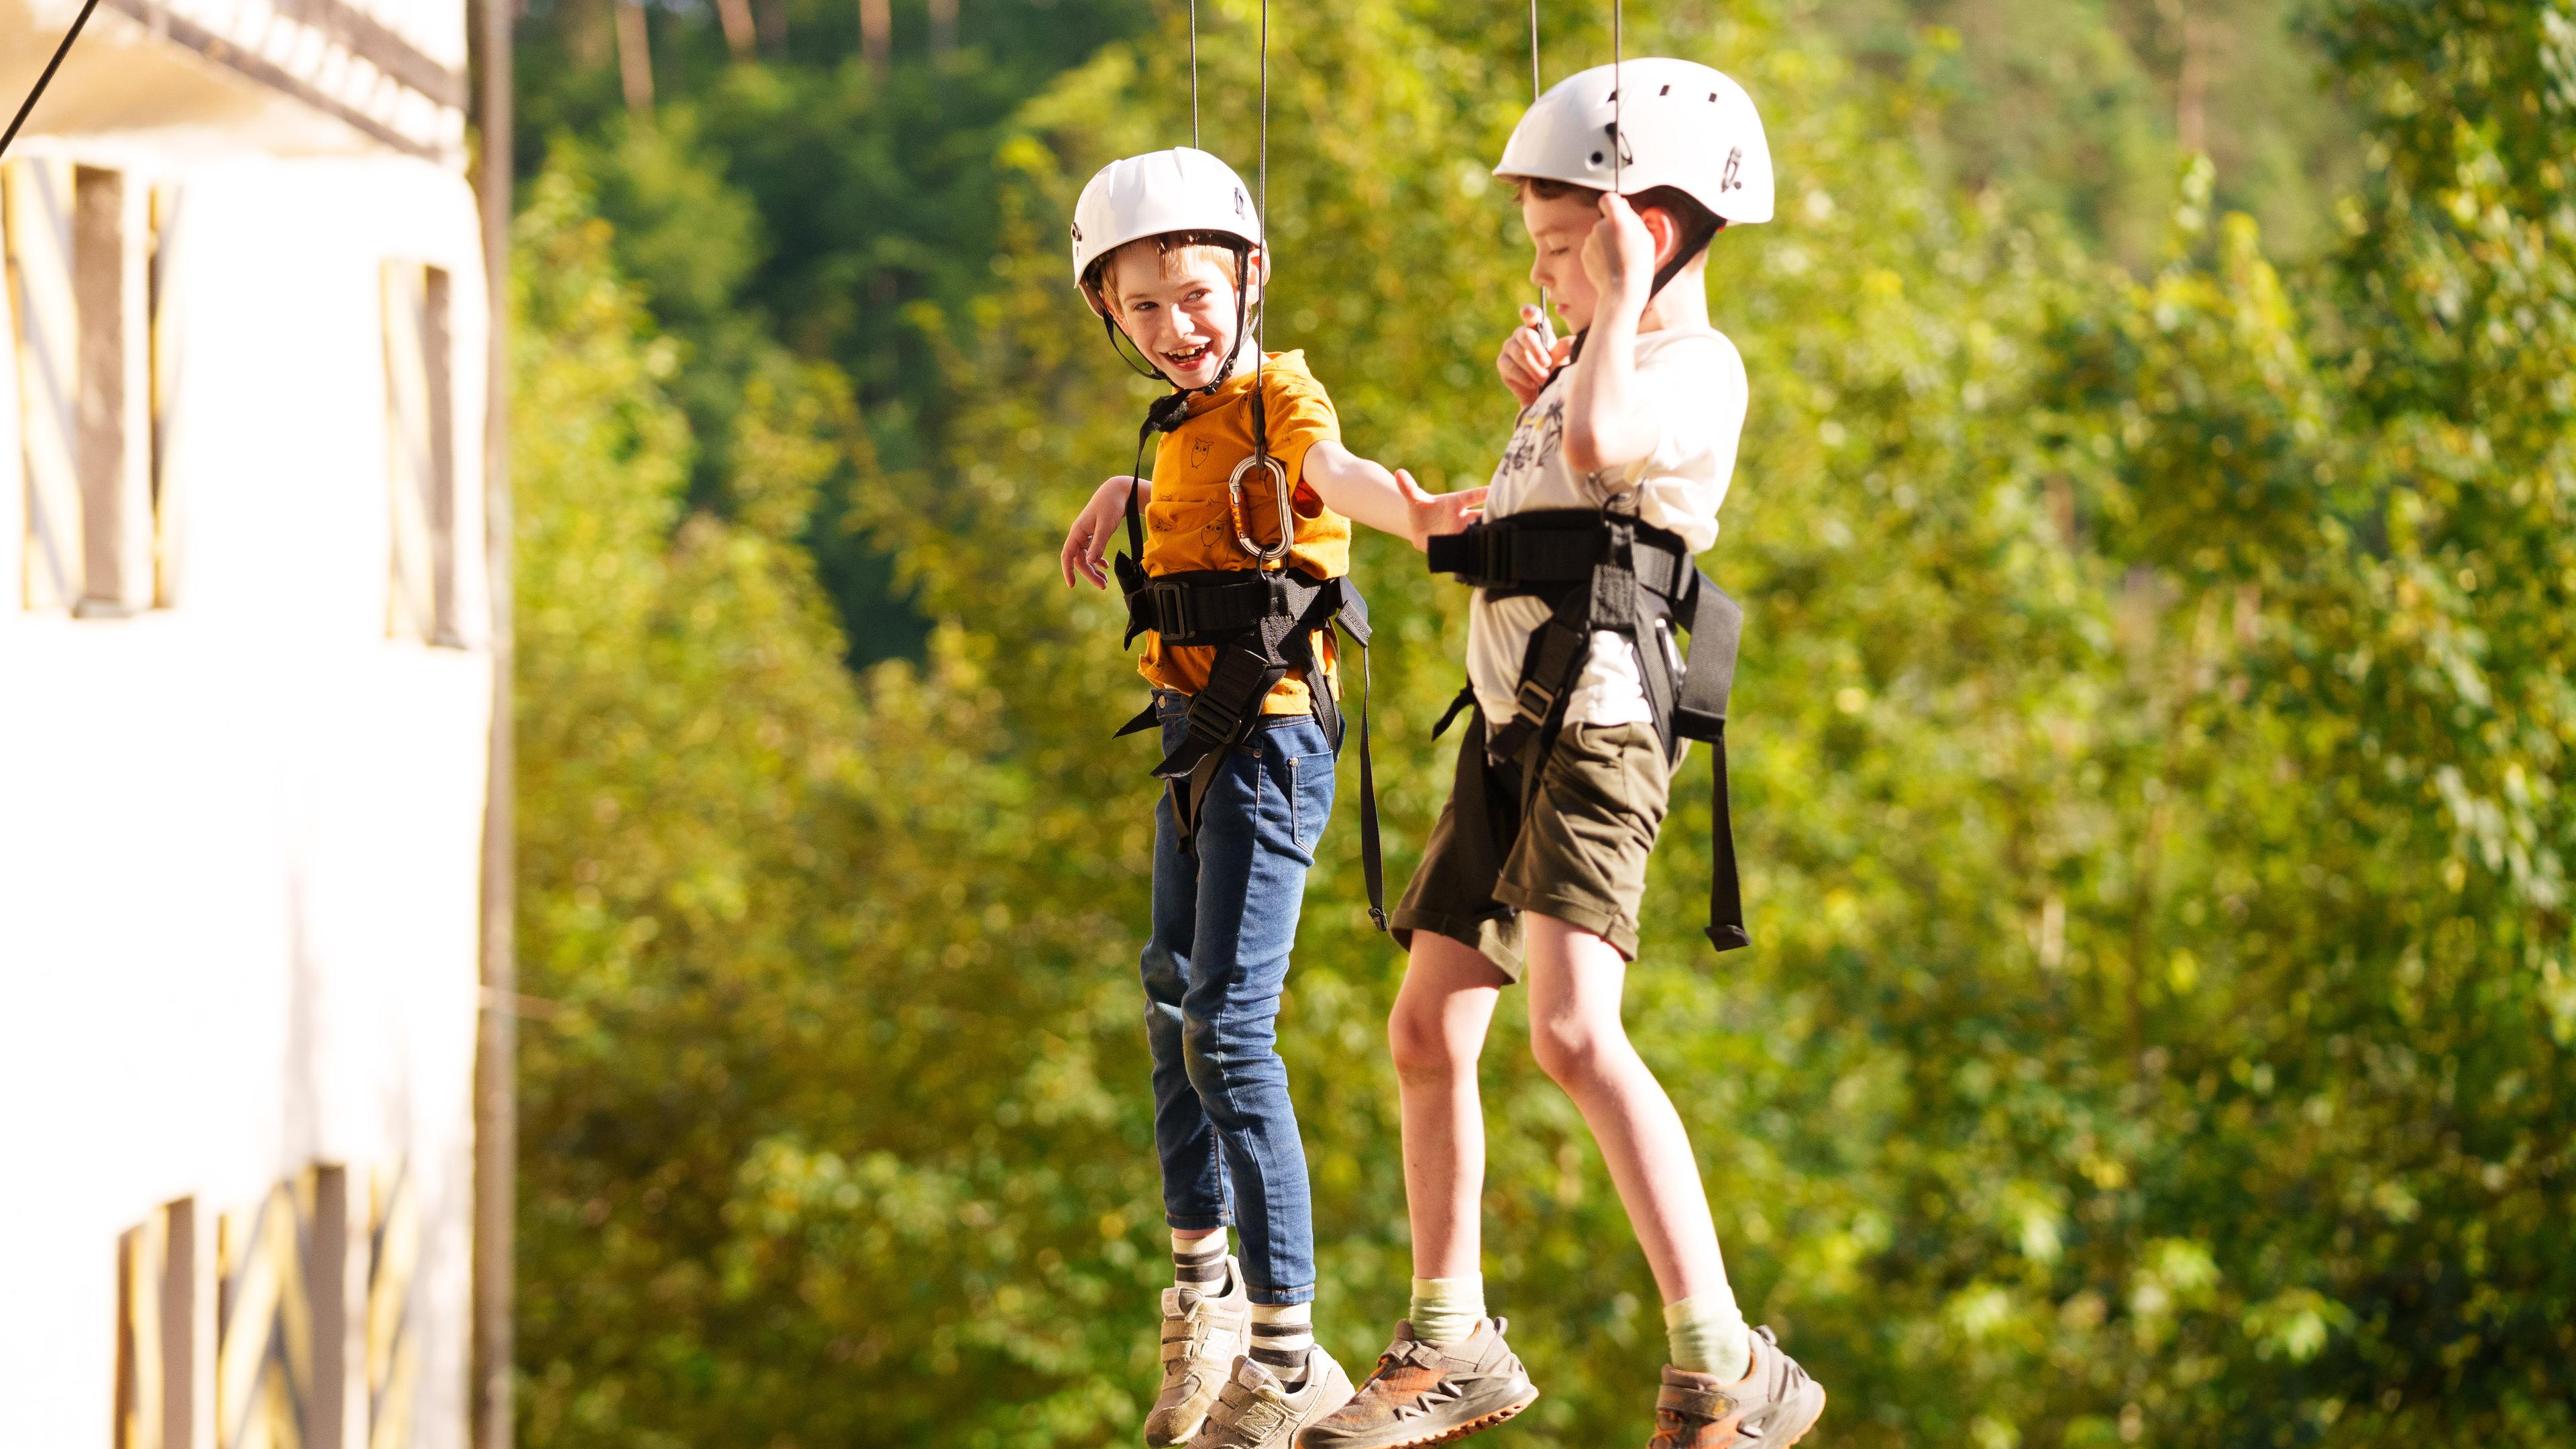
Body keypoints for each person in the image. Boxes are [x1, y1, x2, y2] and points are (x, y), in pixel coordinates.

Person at [1300, 62, 1827, 1449]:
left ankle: (1727, 1358)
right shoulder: (1593, 369)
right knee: (1426, 1030)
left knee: (1573, 1031)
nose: (1544, 277)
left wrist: (1611, 318)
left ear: (1645, 236)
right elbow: (1506, 506)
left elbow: (1606, 440)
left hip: (1599, 731)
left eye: (1560, 250)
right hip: (1510, 733)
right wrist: (1334, 460)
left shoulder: (1695, 368)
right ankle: (1451, 1335)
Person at [1056, 148, 1487, 1449]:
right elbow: (1209, 505)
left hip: (1271, 744)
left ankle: (1287, 1348)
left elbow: (1327, 471)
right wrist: (1130, 493)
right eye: (1143, 306)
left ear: (1248, 279)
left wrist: (1418, 516)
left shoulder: (1280, 395)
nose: (1175, 326)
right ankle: (1205, 1293)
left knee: (1229, 1031)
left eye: (1196, 294)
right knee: (1168, 1001)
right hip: (1195, 736)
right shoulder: (1180, 427)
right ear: (1111, 315)